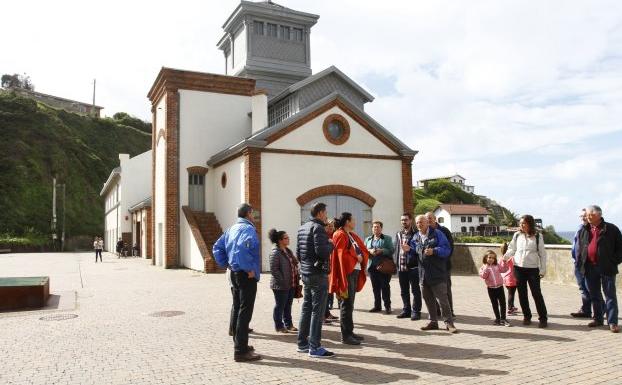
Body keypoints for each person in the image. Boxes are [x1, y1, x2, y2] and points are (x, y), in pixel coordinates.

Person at [213, 203, 262, 362]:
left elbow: (217, 247)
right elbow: (242, 248)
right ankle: (240, 351)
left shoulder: (232, 228)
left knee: (238, 307)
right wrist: (248, 268)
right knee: (244, 311)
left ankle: (240, 344)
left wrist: (227, 263)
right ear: (248, 213)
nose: (254, 215)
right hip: (245, 275)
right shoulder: (248, 229)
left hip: (234, 273)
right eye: (253, 213)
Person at [297, 202, 335, 358]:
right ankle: (315, 347)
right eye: (325, 212)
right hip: (317, 274)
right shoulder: (318, 228)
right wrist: (330, 244)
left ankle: (302, 344)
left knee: (306, 308)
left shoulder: (302, 228)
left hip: (306, 273)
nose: (326, 215)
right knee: (317, 311)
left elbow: (299, 253)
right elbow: (322, 252)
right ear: (320, 213)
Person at [576, 205, 622, 333]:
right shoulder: (584, 229)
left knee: (610, 295)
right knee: (594, 295)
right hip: (590, 267)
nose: (588, 217)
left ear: (598, 215)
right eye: (587, 215)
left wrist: (613, 261)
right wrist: (581, 265)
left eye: (590, 215)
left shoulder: (611, 229)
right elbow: (580, 249)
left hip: (607, 267)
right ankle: (598, 319)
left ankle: (612, 322)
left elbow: (620, 248)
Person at [407, 215, 456, 333]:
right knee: (428, 299)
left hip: (437, 273)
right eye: (418, 223)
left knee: (443, 299)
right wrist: (409, 250)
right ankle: (433, 322)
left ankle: (449, 323)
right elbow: (415, 254)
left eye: (422, 222)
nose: (419, 224)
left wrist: (434, 251)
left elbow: (446, 249)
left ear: (427, 223)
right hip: (423, 274)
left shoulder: (437, 233)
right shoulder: (415, 237)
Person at [330, 212, 369, 345]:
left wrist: (361, 256)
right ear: (347, 221)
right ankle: (345, 336)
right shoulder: (339, 234)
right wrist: (355, 257)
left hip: (353, 272)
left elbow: (361, 248)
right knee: (346, 304)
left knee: (349, 304)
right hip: (346, 273)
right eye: (353, 220)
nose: (355, 222)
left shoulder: (350, 235)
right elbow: (340, 255)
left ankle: (350, 332)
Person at [503, 215, 548, 328]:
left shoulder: (538, 236)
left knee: (536, 294)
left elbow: (542, 254)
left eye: (524, 223)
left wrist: (542, 269)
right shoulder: (517, 235)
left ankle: (543, 318)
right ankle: (527, 316)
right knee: (522, 294)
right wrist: (505, 258)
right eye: (520, 223)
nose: (521, 225)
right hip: (518, 268)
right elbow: (512, 248)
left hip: (533, 269)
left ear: (530, 224)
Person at [268, 228, 299, 333]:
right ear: (280, 240)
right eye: (286, 238)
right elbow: (274, 270)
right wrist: (283, 281)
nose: (288, 239)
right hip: (280, 285)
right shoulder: (275, 252)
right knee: (280, 306)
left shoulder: (287, 250)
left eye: (288, 237)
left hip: (290, 283)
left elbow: (294, 263)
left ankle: (289, 324)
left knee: (288, 305)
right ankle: (279, 326)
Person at [426, 212, 455, 317]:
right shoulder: (426, 232)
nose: (428, 220)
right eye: (426, 218)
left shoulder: (444, 231)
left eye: (430, 218)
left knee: (445, 289)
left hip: (444, 266)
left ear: (435, 219)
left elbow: (450, 248)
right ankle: (437, 311)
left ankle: (449, 311)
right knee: (432, 290)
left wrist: (442, 261)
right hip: (430, 267)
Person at [393, 213, 421, 320]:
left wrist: (410, 249)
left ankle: (416, 311)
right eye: (402, 220)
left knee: (415, 291)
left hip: (413, 268)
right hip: (401, 268)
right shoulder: (398, 234)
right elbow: (396, 248)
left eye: (406, 220)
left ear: (410, 221)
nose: (404, 222)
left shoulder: (416, 234)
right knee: (404, 291)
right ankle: (406, 310)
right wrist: (395, 260)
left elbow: (420, 249)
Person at [365, 221, 394, 314]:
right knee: (375, 287)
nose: (375, 228)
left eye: (377, 227)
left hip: (383, 267)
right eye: (374, 227)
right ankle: (377, 306)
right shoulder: (368, 239)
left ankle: (387, 306)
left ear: (381, 228)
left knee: (385, 286)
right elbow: (364, 250)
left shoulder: (387, 238)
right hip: (372, 267)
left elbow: (391, 250)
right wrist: (369, 250)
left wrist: (382, 250)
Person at [479, 250, 511, 326]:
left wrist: (505, 262)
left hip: (500, 287)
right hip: (491, 288)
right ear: (485, 258)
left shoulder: (497, 265)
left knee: (503, 303)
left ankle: (503, 318)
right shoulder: (483, 267)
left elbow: (504, 270)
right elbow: (483, 276)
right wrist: (486, 268)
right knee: (495, 304)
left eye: (493, 258)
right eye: (489, 257)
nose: (491, 259)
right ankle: (497, 318)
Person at [570, 208, 592, 318]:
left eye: (585, 215)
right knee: (582, 288)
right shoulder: (580, 228)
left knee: (591, 289)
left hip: (588, 264)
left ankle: (601, 309)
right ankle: (586, 310)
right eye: (581, 216)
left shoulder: (592, 229)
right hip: (578, 263)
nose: (583, 218)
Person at [323, 219, 338, 323]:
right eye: (328, 225)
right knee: (326, 291)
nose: (330, 227)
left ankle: (327, 313)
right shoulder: (323, 237)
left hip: (333, 266)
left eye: (332, 226)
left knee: (330, 289)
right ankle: (325, 314)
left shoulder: (335, 236)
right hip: (326, 267)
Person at [500, 242, 518, 316]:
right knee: (511, 294)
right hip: (512, 278)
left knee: (510, 293)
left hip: (505, 278)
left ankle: (512, 306)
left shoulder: (502, 258)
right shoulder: (512, 258)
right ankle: (510, 308)